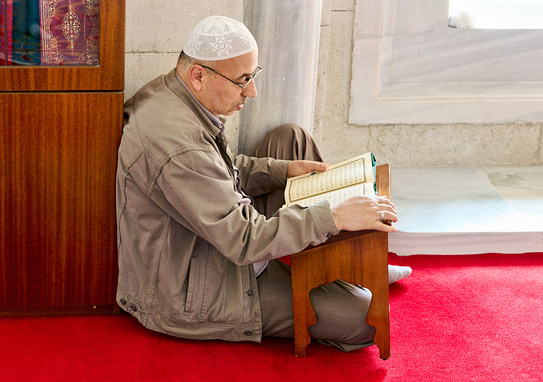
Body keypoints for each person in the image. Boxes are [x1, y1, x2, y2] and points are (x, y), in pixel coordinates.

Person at [116, 15, 411, 352]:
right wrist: (335, 217)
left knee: (291, 139)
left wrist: (281, 170)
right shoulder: (178, 144)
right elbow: (243, 239)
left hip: (214, 235)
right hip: (197, 285)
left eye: (252, 75)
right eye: (243, 79)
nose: (252, 91)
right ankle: (348, 270)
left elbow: (218, 171)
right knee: (366, 316)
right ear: (198, 75)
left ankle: (350, 262)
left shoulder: (175, 91)